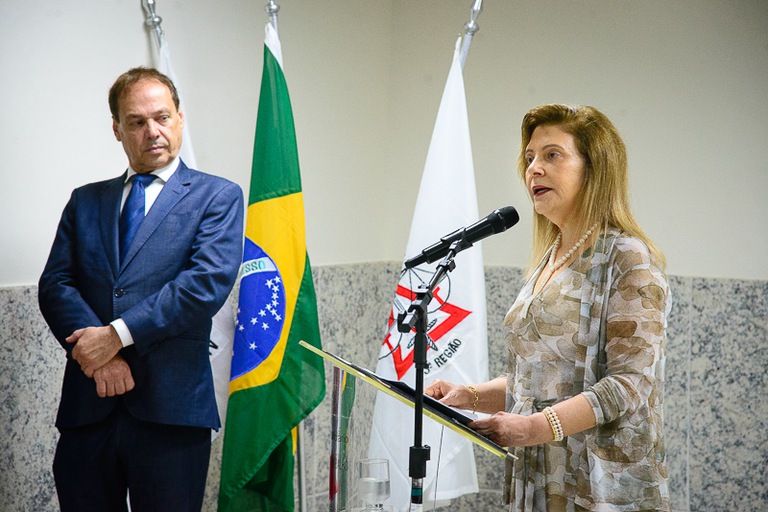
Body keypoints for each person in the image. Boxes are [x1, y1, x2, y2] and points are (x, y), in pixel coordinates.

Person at [425, 104, 670, 511]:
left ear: (595, 168)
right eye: (529, 158)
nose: (533, 169)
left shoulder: (628, 259)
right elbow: (538, 381)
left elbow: (629, 384)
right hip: (538, 474)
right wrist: (468, 395)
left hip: (599, 483)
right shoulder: (552, 256)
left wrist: (534, 428)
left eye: (552, 155)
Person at [38, 67, 244, 511]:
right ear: (117, 129)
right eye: (136, 121)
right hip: (88, 411)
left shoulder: (217, 197)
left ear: (180, 119)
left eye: (162, 117)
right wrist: (102, 359)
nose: (152, 131)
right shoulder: (85, 200)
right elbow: (56, 283)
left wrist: (114, 336)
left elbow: (203, 285)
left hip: (170, 413)